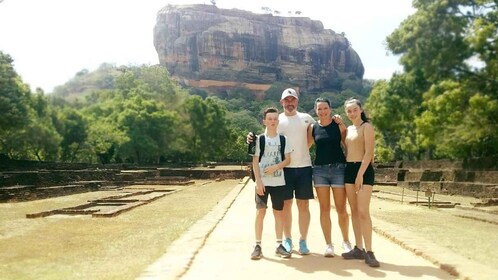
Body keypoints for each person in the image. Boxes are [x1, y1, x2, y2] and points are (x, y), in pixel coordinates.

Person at [248, 88, 315, 255]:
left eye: (293, 100)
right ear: (282, 102)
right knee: (286, 205)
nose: (290, 103)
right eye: (287, 100)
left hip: (304, 167)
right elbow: (264, 138)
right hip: (285, 170)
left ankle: (303, 240)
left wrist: (301, 150)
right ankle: (287, 239)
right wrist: (250, 138)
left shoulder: (306, 118)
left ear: (297, 101)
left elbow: (315, 133)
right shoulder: (278, 119)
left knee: (304, 205)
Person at [307, 97, 352, 257]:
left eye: (325, 108)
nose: (322, 111)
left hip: (339, 169)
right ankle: (328, 244)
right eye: (319, 109)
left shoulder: (338, 124)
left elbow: (348, 144)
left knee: (341, 209)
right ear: (315, 110)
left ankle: (346, 242)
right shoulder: (312, 127)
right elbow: (305, 146)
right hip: (319, 170)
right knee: (324, 209)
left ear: (330, 109)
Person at [341, 98, 380, 267]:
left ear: (360, 109)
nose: (352, 113)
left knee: (363, 211)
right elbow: (347, 147)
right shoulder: (349, 129)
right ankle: (358, 248)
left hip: (363, 170)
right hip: (349, 169)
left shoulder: (367, 127)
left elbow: (369, 152)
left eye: (354, 110)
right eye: (349, 111)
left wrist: (360, 175)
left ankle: (370, 251)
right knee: (354, 210)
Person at [251, 107, 293, 260]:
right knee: (260, 212)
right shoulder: (259, 139)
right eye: (270, 119)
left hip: (278, 181)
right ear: (264, 121)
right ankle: (257, 245)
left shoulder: (283, 139)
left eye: (275, 119)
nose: (273, 121)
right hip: (263, 182)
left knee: (278, 213)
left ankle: (278, 244)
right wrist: (258, 182)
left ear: (278, 121)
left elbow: (288, 159)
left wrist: (275, 167)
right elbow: (255, 161)